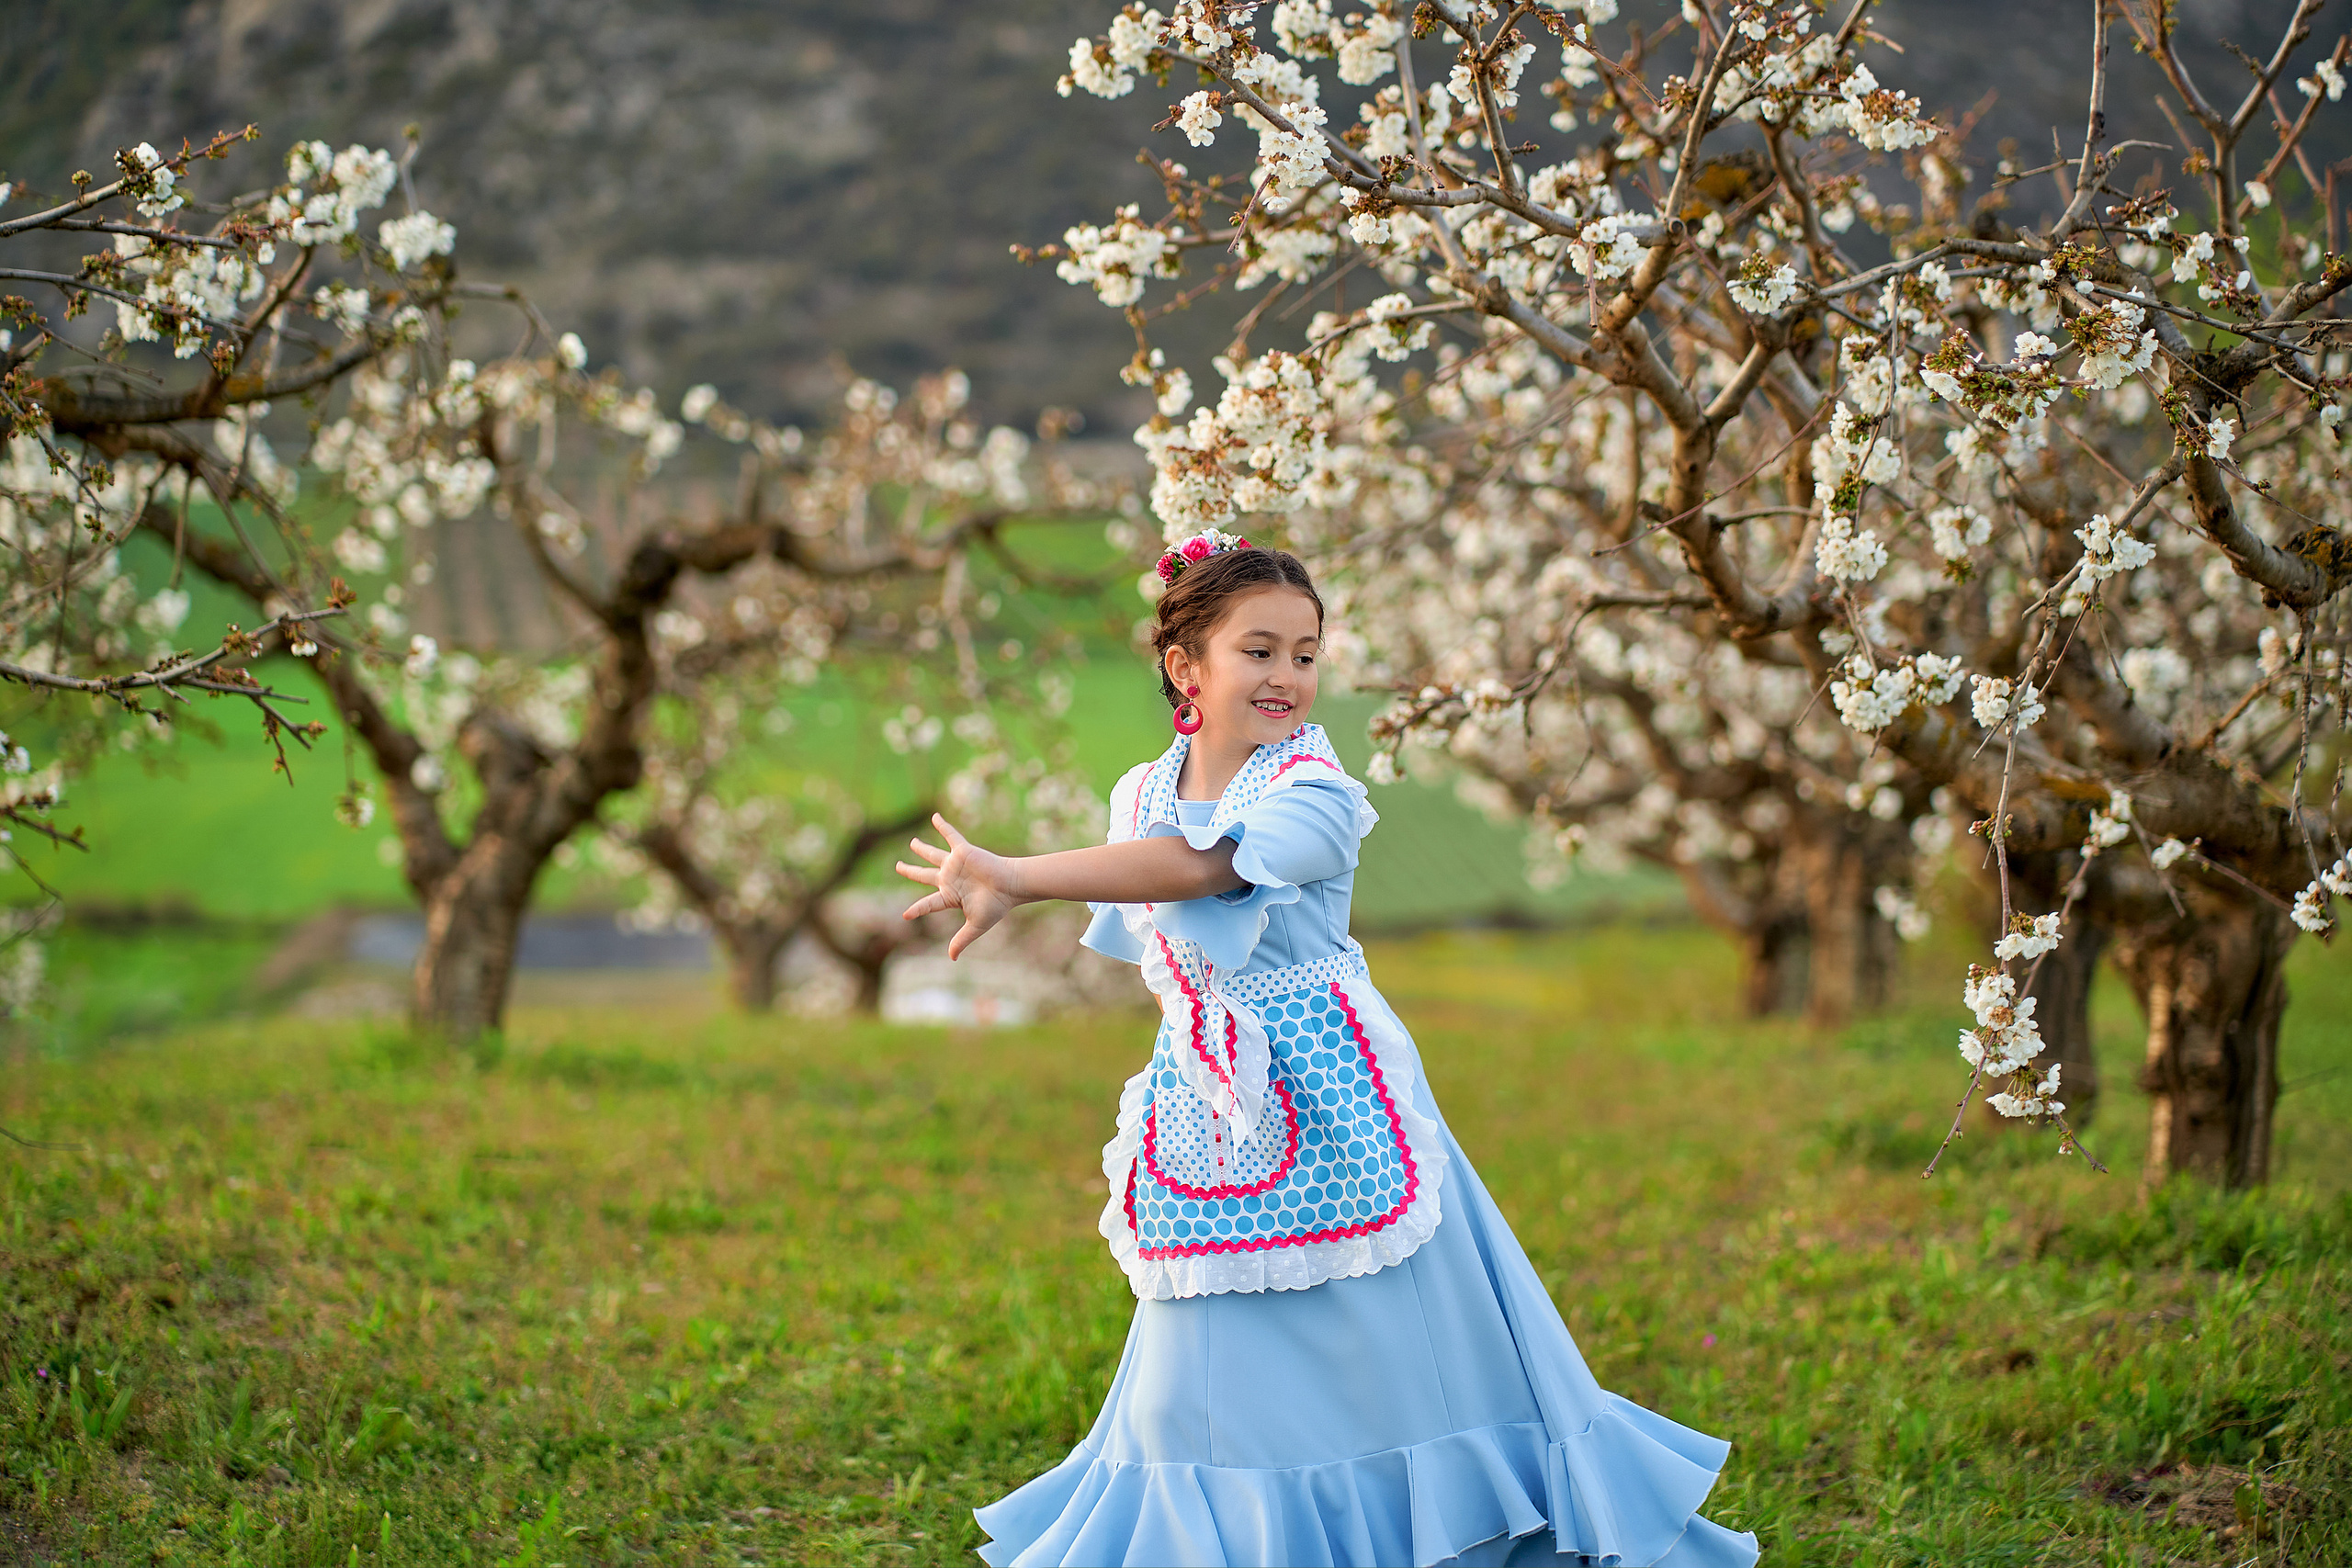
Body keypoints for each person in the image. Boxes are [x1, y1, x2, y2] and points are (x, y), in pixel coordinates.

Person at [896, 536, 1758, 1568]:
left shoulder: (1313, 787)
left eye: (1305, 654)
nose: (1287, 677)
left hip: (1342, 1094)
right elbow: (1154, 888)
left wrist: (1022, 873)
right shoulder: (1139, 793)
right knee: (1187, 1375)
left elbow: (1203, 870)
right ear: (1186, 666)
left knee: (1398, 1357)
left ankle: (1440, 1529)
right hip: (1209, 1109)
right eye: (1258, 651)